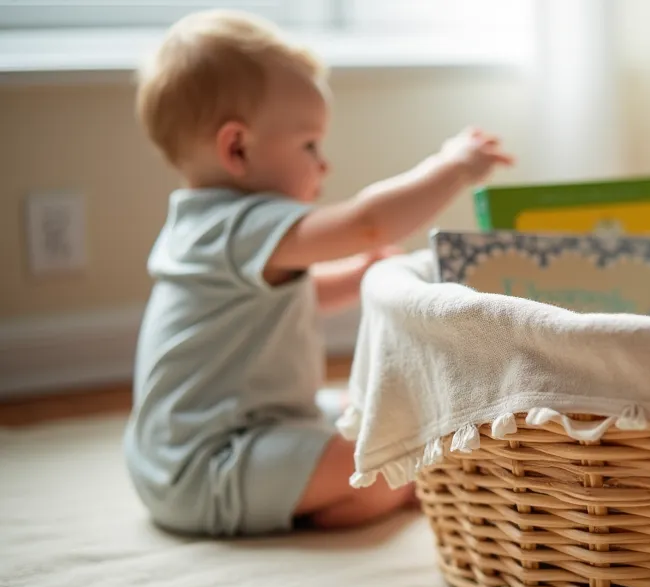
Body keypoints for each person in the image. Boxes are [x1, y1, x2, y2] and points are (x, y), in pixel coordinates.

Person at [124, 9, 514, 536]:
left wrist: (356, 278)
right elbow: (367, 223)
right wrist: (453, 167)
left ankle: (309, 494)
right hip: (215, 461)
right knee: (386, 460)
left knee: (361, 409)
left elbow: (296, 298)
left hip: (174, 454)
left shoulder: (202, 225)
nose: (323, 165)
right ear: (236, 148)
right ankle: (357, 499)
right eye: (309, 145)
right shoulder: (240, 224)